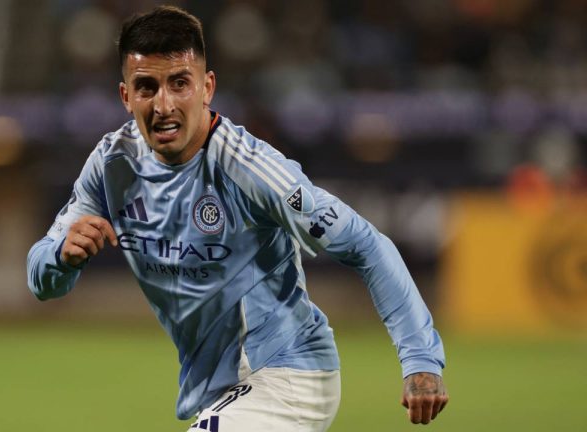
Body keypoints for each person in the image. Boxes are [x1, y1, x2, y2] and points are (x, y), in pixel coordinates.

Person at [27, 5, 448, 431]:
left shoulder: (251, 169)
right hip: (219, 392)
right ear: (125, 96)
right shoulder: (111, 163)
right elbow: (42, 279)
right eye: (147, 87)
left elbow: (366, 244)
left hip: (288, 375)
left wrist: (420, 359)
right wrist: (61, 257)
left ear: (206, 87)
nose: (164, 104)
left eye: (179, 84)